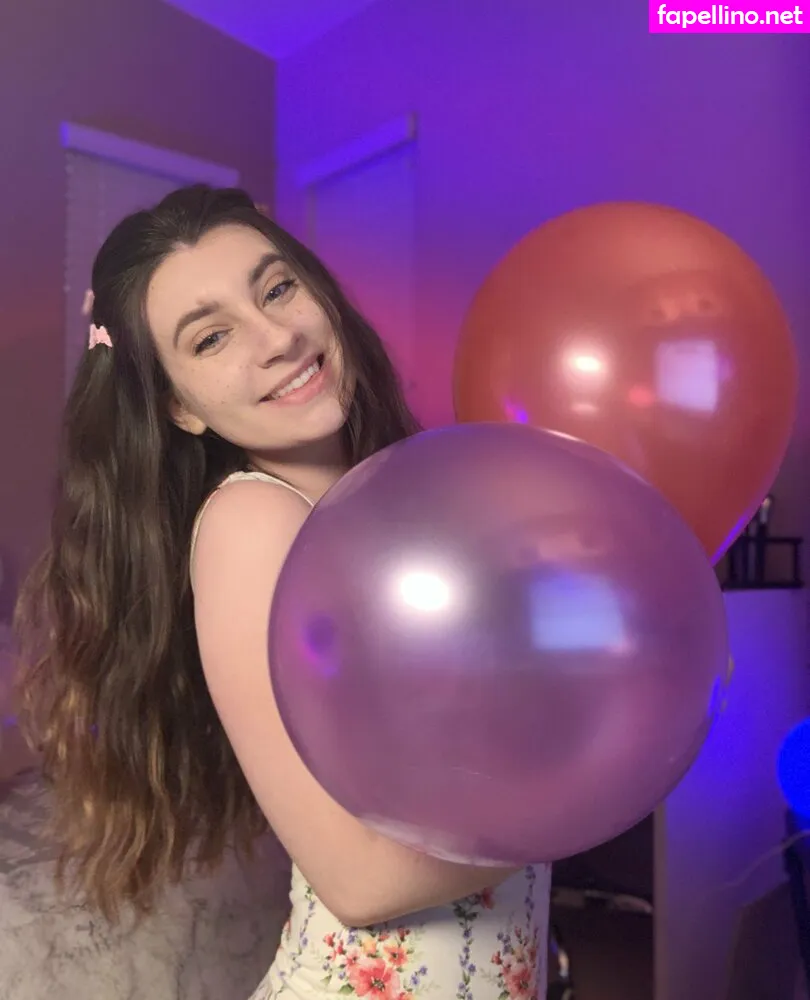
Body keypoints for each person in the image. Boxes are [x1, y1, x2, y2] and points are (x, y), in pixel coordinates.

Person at [14, 185, 550, 998]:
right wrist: (599, 791)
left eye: (276, 289)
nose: (278, 337)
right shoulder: (252, 522)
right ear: (179, 407)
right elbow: (361, 880)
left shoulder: (397, 502)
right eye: (212, 337)